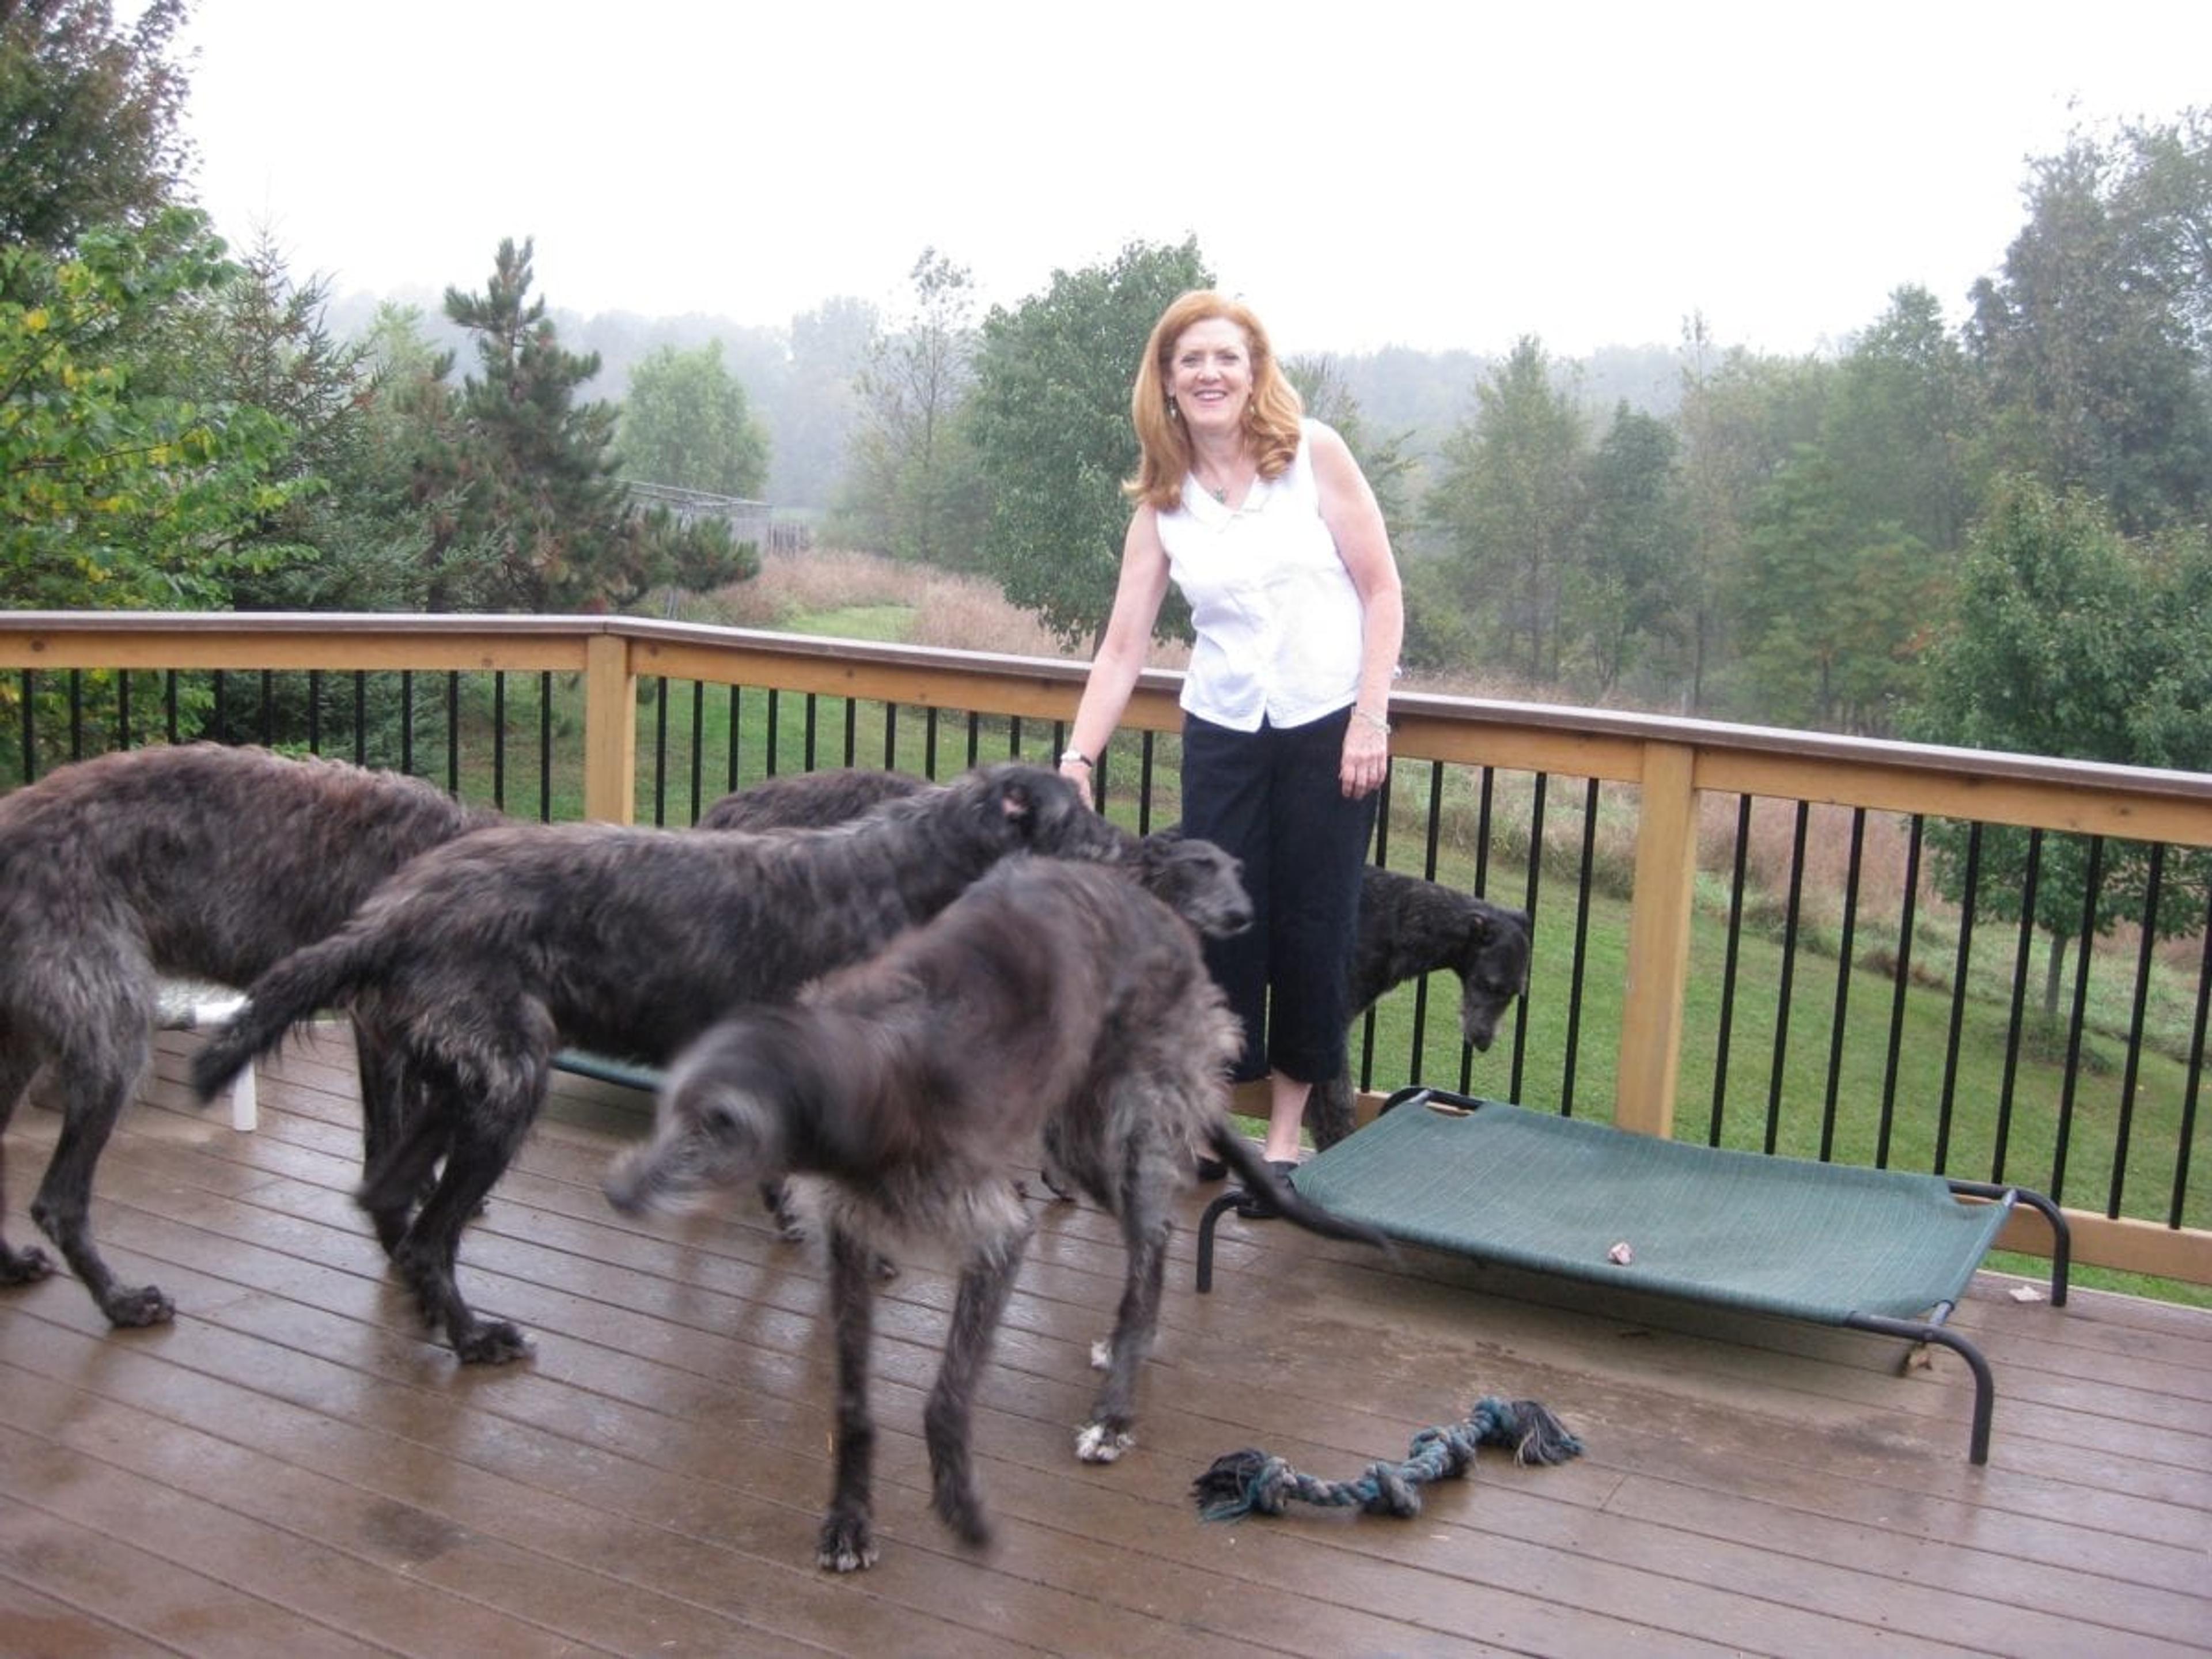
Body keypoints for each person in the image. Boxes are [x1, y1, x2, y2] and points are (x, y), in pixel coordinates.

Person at [1057, 290, 1404, 1212]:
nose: (1209, 374)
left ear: (1255, 374)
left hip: (1329, 730)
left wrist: (1372, 715)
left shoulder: (1314, 457)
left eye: (1226, 358)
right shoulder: (1164, 503)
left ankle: (1285, 1139)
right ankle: (1214, 1123)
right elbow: (1124, 646)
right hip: (1223, 733)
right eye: (1189, 362)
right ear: (1166, 385)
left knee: (1315, 925)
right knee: (1217, 929)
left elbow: (1382, 590)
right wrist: (1078, 760)